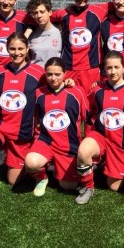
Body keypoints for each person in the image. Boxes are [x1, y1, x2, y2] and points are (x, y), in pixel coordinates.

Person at [0, 32, 45, 196]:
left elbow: (53, 91)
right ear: (6, 49)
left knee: (13, 180)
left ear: (27, 49)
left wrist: (69, 83)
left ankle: (16, 155)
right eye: (12, 48)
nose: (16, 52)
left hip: (23, 132)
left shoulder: (38, 73)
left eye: (20, 48)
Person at [75, 51, 124, 204]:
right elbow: (89, 111)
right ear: (104, 69)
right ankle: (88, 187)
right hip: (101, 138)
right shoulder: (97, 89)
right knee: (83, 150)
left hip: (121, 144)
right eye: (109, 68)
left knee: (114, 187)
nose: (113, 71)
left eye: (116, 67)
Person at [51, 0, 124, 95]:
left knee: (91, 104)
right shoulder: (63, 13)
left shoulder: (97, 11)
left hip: (91, 70)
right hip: (69, 69)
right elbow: (44, 17)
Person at [25, 57, 91, 199]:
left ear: (65, 74)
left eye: (57, 74)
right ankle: (42, 177)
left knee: (67, 186)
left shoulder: (76, 92)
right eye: (49, 74)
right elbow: (35, 119)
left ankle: (59, 166)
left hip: (69, 145)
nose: (53, 78)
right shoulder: (39, 93)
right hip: (46, 141)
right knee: (31, 163)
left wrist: (87, 144)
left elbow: (88, 118)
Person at [26, 0, 62, 67]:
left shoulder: (60, 31)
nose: (39, 16)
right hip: (36, 74)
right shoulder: (30, 34)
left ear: (50, 12)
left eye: (42, 12)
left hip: (53, 75)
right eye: (35, 13)